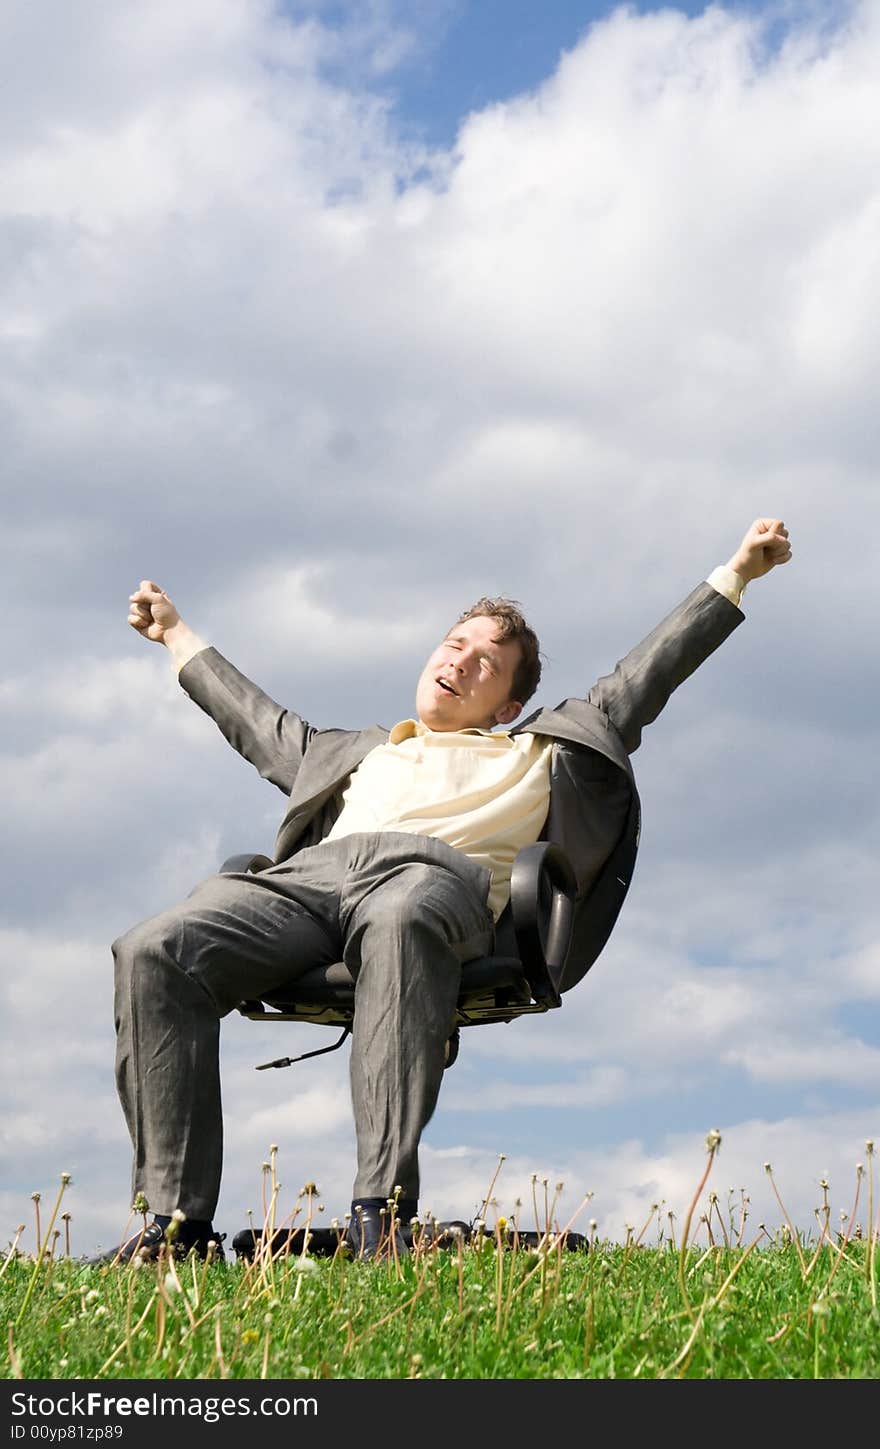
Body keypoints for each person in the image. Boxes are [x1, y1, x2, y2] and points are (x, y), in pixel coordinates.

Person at [98, 517, 791, 1263]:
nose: (461, 660)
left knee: (399, 917)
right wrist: (174, 633)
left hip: (437, 880)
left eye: (486, 661)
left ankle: (380, 1214)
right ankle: (174, 1228)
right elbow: (250, 716)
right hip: (310, 886)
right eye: (455, 643)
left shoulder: (542, 749)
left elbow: (648, 672)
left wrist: (739, 573)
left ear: (506, 707)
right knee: (154, 949)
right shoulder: (352, 753)